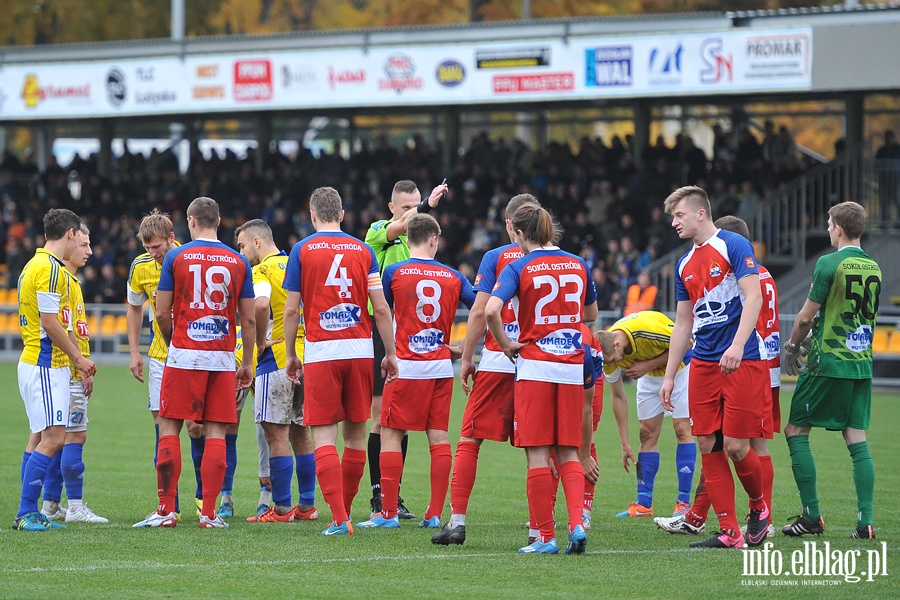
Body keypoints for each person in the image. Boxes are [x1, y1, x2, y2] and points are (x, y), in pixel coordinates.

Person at [654, 215, 780, 540]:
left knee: (746, 444)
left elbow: (754, 310)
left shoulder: (746, 270)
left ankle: (761, 512)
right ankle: (722, 524)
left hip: (751, 360)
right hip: (736, 361)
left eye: (679, 214)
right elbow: (687, 320)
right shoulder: (694, 266)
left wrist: (740, 345)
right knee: (715, 442)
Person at [133, 197, 256, 529]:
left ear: (191, 220)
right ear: (219, 221)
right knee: (216, 430)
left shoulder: (175, 256)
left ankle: (166, 510)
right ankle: (210, 513)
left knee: (169, 425)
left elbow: (160, 311)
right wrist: (246, 362)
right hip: (222, 355)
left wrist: (174, 338)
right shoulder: (238, 260)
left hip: (184, 352)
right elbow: (249, 318)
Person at [283, 186, 399, 536]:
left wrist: (290, 354)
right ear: (343, 214)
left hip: (323, 351)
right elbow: (381, 308)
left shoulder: (302, 250)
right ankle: (345, 511)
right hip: (361, 351)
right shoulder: (363, 250)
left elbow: (291, 310)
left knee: (323, 435)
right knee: (355, 435)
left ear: (313, 215)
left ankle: (338, 518)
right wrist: (391, 353)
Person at [486, 203, 599, 555]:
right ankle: (577, 525)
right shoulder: (577, 263)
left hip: (535, 366)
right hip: (570, 366)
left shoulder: (519, 265)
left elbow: (491, 309)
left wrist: (506, 345)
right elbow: (591, 314)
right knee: (568, 451)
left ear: (519, 233)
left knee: (537, 454)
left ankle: (545, 538)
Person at [431, 193, 536, 547]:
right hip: (541, 362)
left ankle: (457, 520)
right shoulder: (558, 259)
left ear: (510, 224)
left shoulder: (496, 257)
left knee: (469, 438)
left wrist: (466, 357)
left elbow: (479, 312)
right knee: (541, 445)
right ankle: (542, 526)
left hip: (497, 360)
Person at [359, 214, 475, 530]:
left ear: (408, 240)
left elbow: (381, 311)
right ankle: (434, 513)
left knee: (390, 433)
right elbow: (481, 308)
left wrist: (388, 353)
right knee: (438, 437)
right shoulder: (453, 275)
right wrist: (463, 346)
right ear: (435, 240)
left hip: (406, 365)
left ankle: (388, 514)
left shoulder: (395, 271)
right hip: (440, 367)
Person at [781, 201, 881, 540]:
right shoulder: (874, 267)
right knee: (856, 439)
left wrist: (793, 346)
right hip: (861, 364)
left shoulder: (829, 262)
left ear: (838, 227)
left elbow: (806, 316)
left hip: (828, 363)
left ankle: (811, 516)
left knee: (795, 431)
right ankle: (864, 521)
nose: (827, 228)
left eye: (828, 223)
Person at [364, 178, 448, 519]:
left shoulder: (418, 246)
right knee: (380, 415)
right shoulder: (377, 232)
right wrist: (426, 204)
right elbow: (402, 225)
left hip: (415, 334)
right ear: (392, 208)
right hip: (382, 333)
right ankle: (378, 496)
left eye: (416, 205)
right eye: (406, 207)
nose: (412, 213)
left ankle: (394, 498)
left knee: (404, 418)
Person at [14, 208, 97, 531]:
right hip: (46, 364)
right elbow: (50, 322)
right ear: (71, 234)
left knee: (38, 437)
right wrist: (79, 358)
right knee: (54, 437)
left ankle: (30, 510)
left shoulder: (33, 265)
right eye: (81, 237)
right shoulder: (49, 268)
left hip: (36, 362)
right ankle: (26, 511)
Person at [235, 219, 317, 523]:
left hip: (277, 359)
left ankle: (281, 508)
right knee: (300, 431)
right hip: (306, 356)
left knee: (275, 433)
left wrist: (258, 345)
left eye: (242, 246)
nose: (242, 254)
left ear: (257, 242)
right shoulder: (298, 264)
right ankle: (307, 505)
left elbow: (260, 304)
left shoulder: (262, 270)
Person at [595, 311, 695, 520]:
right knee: (646, 434)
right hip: (649, 374)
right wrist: (624, 442)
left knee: (681, 429)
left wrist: (647, 364)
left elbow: (686, 342)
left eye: (612, 360)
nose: (612, 365)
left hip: (680, 368)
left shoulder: (646, 330)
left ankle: (684, 503)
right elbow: (618, 395)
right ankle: (643, 503)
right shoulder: (605, 353)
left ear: (617, 345)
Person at [40, 224, 108, 524]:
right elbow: (63, 328)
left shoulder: (70, 280)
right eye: (83, 245)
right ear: (69, 243)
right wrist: (80, 363)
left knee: (59, 437)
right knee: (74, 436)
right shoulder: (64, 280)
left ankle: (51, 505)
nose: (89, 251)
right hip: (66, 370)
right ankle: (76, 506)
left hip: (68, 367)